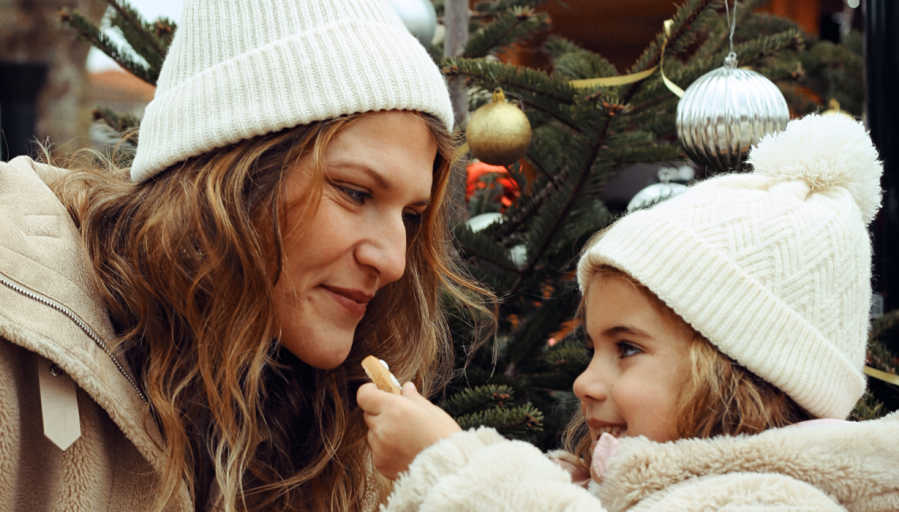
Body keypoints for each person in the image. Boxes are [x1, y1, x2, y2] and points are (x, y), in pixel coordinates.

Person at [0, 0, 493, 510]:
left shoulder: (344, 418)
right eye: (355, 192)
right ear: (228, 178)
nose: (393, 260)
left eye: (412, 217)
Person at [358, 114, 899, 510]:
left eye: (628, 348)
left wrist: (452, 467)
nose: (585, 384)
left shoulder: (778, 503)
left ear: (746, 376)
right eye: (593, 348)